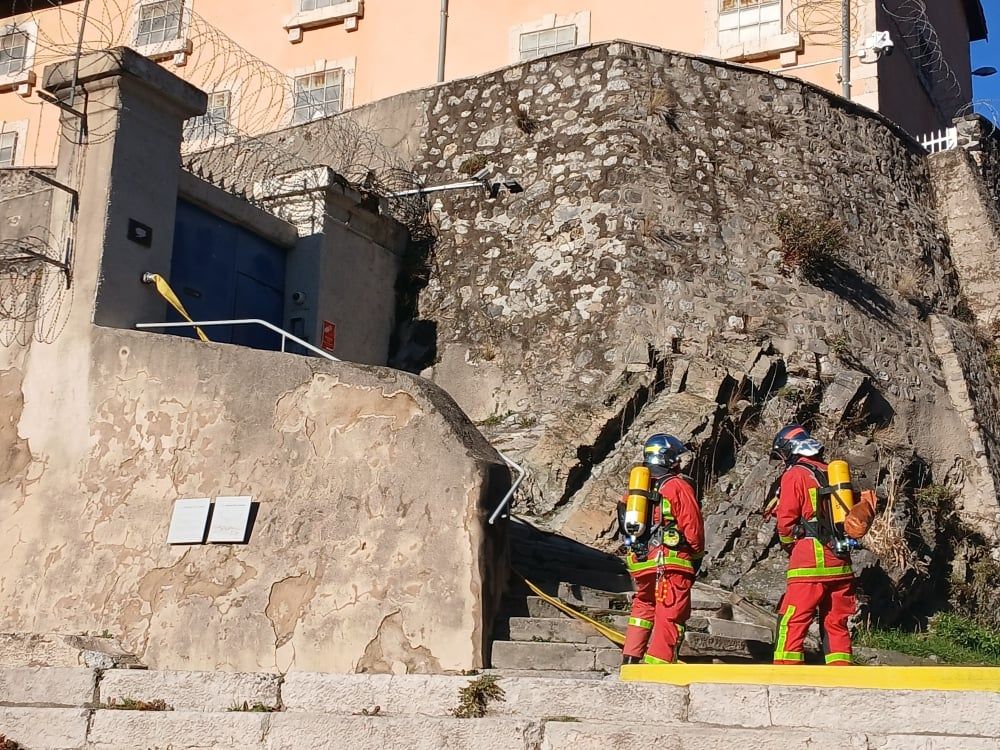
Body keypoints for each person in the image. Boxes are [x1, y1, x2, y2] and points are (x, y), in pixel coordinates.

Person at [769, 424, 856, 666]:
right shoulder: (832, 473)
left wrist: (789, 545)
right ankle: (842, 674)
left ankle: (786, 673)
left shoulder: (795, 474)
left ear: (789, 450)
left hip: (810, 561)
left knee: (793, 618)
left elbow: (786, 521)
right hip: (841, 560)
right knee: (836, 623)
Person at [619, 434, 705, 665]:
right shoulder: (677, 486)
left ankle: (630, 659)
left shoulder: (635, 490)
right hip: (670, 561)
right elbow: (693, 528)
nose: (679, 462)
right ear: (669, 459)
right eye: (677, 458)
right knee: (671, 613)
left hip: (641, 561)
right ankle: (658, 668)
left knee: (643, 608)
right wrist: (695, 559)